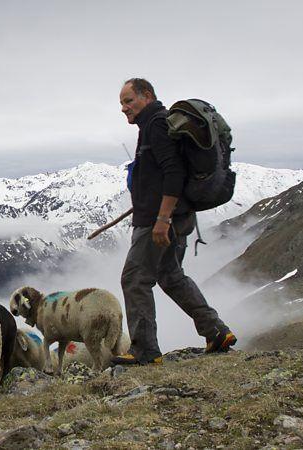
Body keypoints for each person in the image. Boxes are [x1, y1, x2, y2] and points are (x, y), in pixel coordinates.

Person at [112, 78, 237, 365]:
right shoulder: (157, 124)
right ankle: (216, 331)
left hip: (160, 220)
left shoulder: (156, 124)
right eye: (121, 103)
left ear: (147, 96)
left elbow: (173, 172)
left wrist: (162, 219)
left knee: (134, 279)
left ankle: (145, 351)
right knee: (171, 276)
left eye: (128, 100)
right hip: (178, 216)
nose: (123, 108)